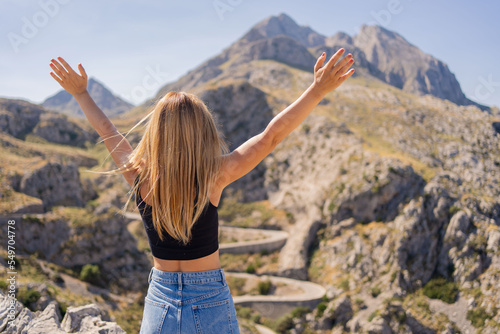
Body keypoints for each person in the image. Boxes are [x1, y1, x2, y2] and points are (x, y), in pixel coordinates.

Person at [49, 48, 354, 333]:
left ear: (156, 132)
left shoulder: (139, 176)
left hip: (160, 300)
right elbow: (269, 137)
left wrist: (81, 94)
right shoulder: (214, 175)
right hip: (209, 298)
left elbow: (107, 131)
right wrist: (316, 91)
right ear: (203, 131)